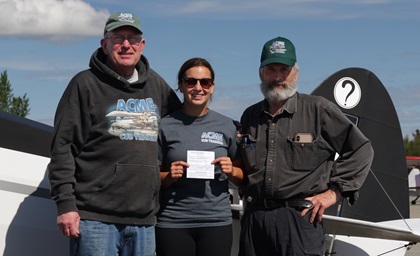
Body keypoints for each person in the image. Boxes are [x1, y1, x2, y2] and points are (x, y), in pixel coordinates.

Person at [47, 12, 181, 256]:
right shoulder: (84, 84)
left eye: (132, 38)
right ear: (104, 44)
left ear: (142, 45)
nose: (126, 45)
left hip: (144, 220)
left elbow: (184, 121)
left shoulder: (156, 85)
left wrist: (227, 130)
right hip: (94, 219)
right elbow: (63, 147)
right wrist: (65, 204)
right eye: (118, 37)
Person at [237, 36, 374, 256]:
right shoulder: (250, 115)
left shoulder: (319, 110)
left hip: (299, 219)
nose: (278, 77)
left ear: (296, 73)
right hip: (255, 220)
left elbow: (360, 149)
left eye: (285, 69)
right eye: (271, 69)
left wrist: (334, 192)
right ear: (261, 73)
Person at [155, 57, 243, 256]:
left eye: (205, 82)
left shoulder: (227, 125)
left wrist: (231, 171)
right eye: (190, 82)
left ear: (212, 87)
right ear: (180, 85)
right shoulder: (165, 125)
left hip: (216, 221)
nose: (198, 87)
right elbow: (153, 178)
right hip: (173, 222)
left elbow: (242, 178)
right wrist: (169, 177)